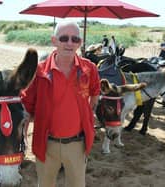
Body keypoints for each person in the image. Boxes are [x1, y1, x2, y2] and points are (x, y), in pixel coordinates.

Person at [22, 21, 100, 187]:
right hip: (46, 144)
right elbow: (26, 107)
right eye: (64, 38)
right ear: (54, 40)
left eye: (75, 39)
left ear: (80, 42)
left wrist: (87, 116)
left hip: (77, 145)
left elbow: (95, 94)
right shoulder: (38, 71)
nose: (70, 43)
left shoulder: (90, 68)